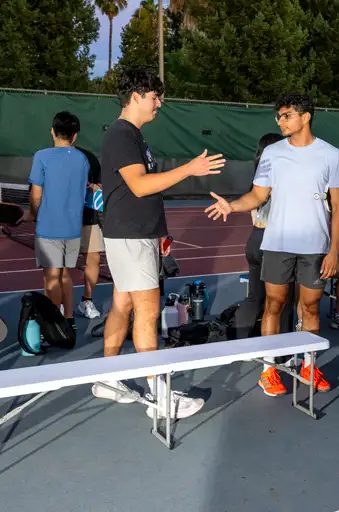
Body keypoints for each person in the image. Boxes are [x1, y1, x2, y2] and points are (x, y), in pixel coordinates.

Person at [92, 68, 222, 419]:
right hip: (131, 236)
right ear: (135, 96)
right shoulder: (122, 135)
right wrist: (189, 169)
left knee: (123, 305)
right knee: (148, 312)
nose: (159, 103)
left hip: (135, 233)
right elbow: (139, 185)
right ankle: (159, 398)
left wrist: (158, 233)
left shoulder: (130, 135)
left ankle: (108, 379)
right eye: (154, 97)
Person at [206, 93, 339, 396]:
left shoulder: (331, 155)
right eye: (279, 116)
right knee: (274, 303)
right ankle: (269, 370)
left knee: (310, 306)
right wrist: (232, 206)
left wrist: (334, 250)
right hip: (277, 244)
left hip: (315, 247)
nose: (280, 121)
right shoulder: (272, 153)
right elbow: (258, 196)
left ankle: (308, 364)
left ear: (305, 116)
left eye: (286, 115)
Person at [28, 111, 90, 329]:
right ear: (75, 136)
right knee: (65, 276)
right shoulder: (83, 159)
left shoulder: (41, 156)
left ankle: (53, 324)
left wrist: (34, 215)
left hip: (49, 228)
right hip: (73, 229)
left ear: (52, 132)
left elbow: (36, 195)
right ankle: (69, 319)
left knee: (52, 278)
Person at [233, 133, 296, 339]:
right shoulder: (281, 176)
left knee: (254, 297)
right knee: (281, 300)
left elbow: (253, 213)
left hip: (255, 238)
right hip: (273, 241)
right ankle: (283, 351)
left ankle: (240, 341)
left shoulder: (257, 177)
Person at [74, 145, 105, 321]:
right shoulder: (50, 157)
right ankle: (60, 303)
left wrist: (94, 186)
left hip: (88, 217)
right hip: (64, 219)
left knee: (93, 258)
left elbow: (99, 184)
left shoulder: (88, 157)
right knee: (62, 265)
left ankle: (87, 300)